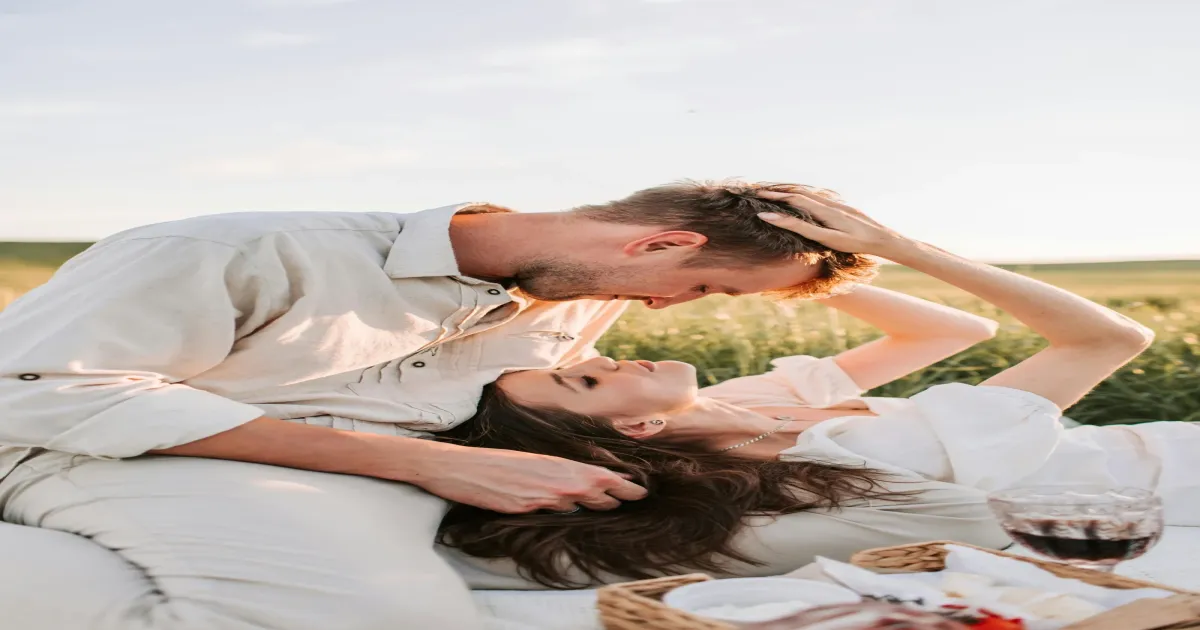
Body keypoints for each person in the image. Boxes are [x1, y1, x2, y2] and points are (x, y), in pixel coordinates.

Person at [0, 181, 875, 630]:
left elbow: (534, 403)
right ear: (656, 241)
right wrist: (424, 463)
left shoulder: (586, 296)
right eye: (698, 285)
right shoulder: (245, 250)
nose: (665, 313)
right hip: (144, 453)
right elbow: (32, 389)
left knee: (835, 529)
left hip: (396, 483)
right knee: (380, 619)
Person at [436, 188, 1193, 591]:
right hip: (1166, 479)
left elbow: (955, 336)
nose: (618, 357)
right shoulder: (856, 449)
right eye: (588, 379)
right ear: (634, 435)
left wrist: (766, 272)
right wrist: (902, 250)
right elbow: (1110, 340)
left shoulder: (743, 406)